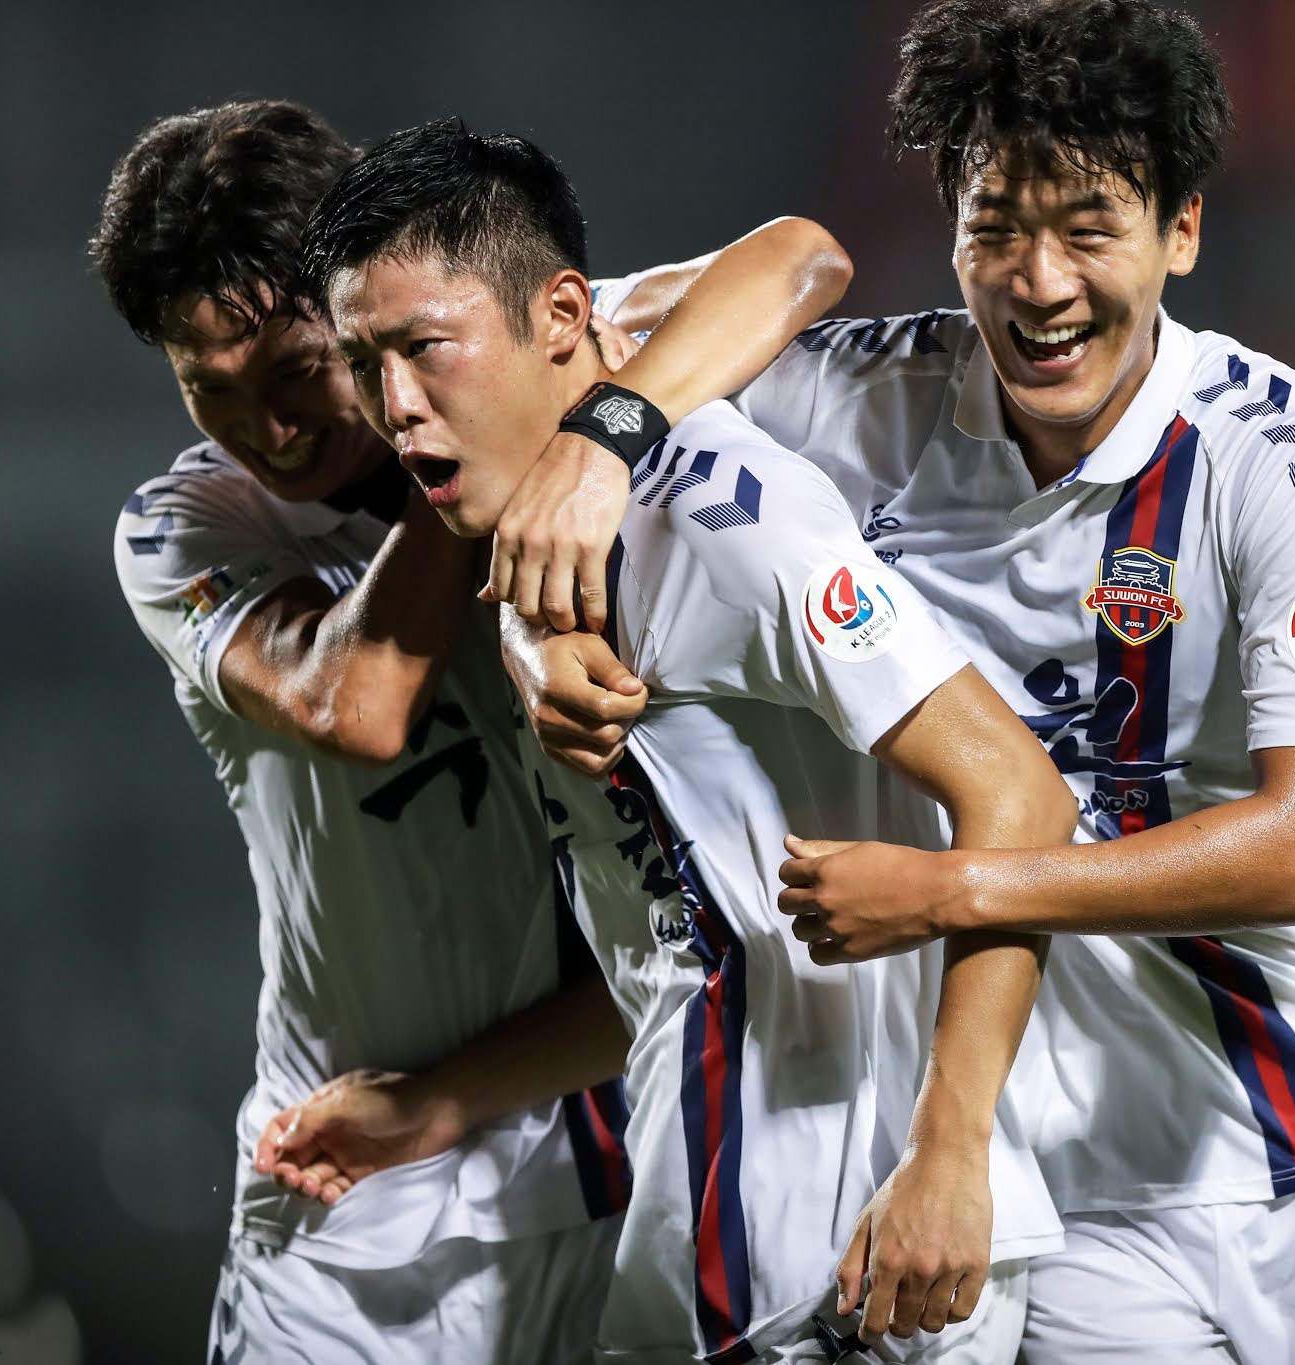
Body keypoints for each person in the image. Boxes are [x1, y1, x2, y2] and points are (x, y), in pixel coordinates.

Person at [493, 3, 1295, 1361]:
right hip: (1064, 1195)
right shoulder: (873, 400)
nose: (1041, 280)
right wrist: (586, 489)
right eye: (997, 226)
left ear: (1180, 230)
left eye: (1089, 227)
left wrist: (957, 885)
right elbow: (619, 322)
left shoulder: (1281, 455)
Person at [301, 116, 1079, 1363]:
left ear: (566, 320)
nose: (395, 406)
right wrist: (440, 1102)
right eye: (364, 360)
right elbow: (687, 946)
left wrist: (949, 1155)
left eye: (423, 352)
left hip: (852, 1256)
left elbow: (1024, 802)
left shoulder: (729, 524)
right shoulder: (524, 533)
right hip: (720, 1235)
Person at [92, 98, 855, 1363]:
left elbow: (801, 259)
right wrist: (495, 466)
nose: (267, 433)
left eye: (293, 373)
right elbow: (354, 702)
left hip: (609, 1152)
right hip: (343, 1190)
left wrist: (597, 441)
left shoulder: (510, 362)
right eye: (207, 392)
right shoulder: (187, 525)